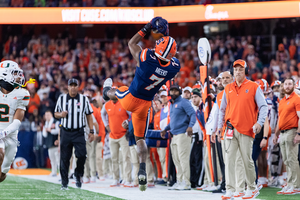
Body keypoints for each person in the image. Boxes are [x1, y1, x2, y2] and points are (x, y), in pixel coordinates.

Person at [102, 17, 179, 191]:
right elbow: (169, 56)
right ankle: (142, 169)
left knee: (118, 89)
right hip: (145, 105)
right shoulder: (174, 67)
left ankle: (106, 93)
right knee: (140, 139)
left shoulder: (147, 57)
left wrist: (146, 28)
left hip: (131, 98)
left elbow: (132, 43)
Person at [218, 59, 268, 199]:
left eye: (241, 69)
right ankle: (230, 189)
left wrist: (259, 123)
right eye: (236, 69)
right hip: (230, 128)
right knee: (229, 160)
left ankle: (252, 188)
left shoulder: (253, 86)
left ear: (246, 71)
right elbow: (222, 110)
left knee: (247, 160)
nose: (238, 72)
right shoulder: (228, 88)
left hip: (247, 129)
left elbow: (263, 106)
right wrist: (219, 126)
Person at [54, 78, 95, 190]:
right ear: (68, 87)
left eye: (75, 85)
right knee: (65, 158)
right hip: (65, 131)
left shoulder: (83, 99)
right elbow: (55, 114)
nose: (73, 87)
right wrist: (61, 114)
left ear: (78, 87)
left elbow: (89, 115)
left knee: (82, 155)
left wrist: (91, 131)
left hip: (79, 132)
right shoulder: (62, 98)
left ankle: (78, 174)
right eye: (71, 85)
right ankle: (64, 183)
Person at [161, 85, 196, 190]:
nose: (173, 93)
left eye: (176, 91)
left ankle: (187, 183)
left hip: (183, 134)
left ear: (180, 92)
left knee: (183, 159)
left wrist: (190, 126)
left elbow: (193, 114)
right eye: (172, 91)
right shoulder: (172, 104)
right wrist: (165, 129)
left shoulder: (184, 102)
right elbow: (173, 121)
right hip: (174, 135)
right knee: (176, 159)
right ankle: (180, 181)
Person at [0, 61, 29, 183]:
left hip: (11, 137)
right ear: (4, 74)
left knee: (2, 175)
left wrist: (3, 134)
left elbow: (17, 122)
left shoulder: (22, 93)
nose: (19, 77)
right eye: (15, 73)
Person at [273, 78, 300, 195]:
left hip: (292, 131)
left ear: (293, 86)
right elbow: (280, 119)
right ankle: (290, 185)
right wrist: (276, 134)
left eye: (290, 84)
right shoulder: (282, 101)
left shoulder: (297, 99)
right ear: (283, 87)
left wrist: (299, 133)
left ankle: (296, 186)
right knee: (286, 160)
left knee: (292, 160)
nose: (288, 86)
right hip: (283, 133)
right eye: (286, 84)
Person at [101, 98, 132, 187]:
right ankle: (116, 179)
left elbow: (131, 115)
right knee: (114, 158)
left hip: (123, 134)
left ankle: (127, 179)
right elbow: (102, 114)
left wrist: (128, 125)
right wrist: (106, 124)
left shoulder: (124, 103)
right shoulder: (107, 105)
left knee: (126, 157)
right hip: (112, 135)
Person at [189, 88, 204, 189]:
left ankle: (200, 181)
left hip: (201, 136)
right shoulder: (194, 108)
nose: (193, 99)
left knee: (200, 161)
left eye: (195, 97)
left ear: (200, 97)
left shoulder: (203, 108)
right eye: (192, 97)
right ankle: (194, 181)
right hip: (195, 136)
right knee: (193, 160)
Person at [42, 110, 60, 177]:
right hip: (49, 144)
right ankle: (54, 171)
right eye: (46, 115)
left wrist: (50, 130)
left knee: (58, 159)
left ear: (51, 115)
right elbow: (44, 135)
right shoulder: (46, 123)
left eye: (48, 115)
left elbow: (58, 131)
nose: (47, 116)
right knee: (52, 159)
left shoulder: (56, 122)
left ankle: (60, 173)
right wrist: (46, 130)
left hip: (55, 143)